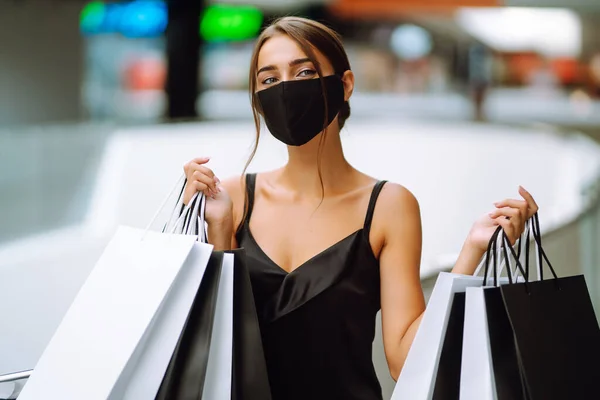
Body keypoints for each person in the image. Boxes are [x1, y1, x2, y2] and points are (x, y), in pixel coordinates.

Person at [181, 17, 538, 400]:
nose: (285, 89)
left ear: (345, 85)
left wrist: (472, 252)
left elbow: (405, 363)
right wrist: (215, 230)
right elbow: (216, 349)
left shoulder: (388, 205)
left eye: (304, 72)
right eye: (269, 80)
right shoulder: (233, 198)